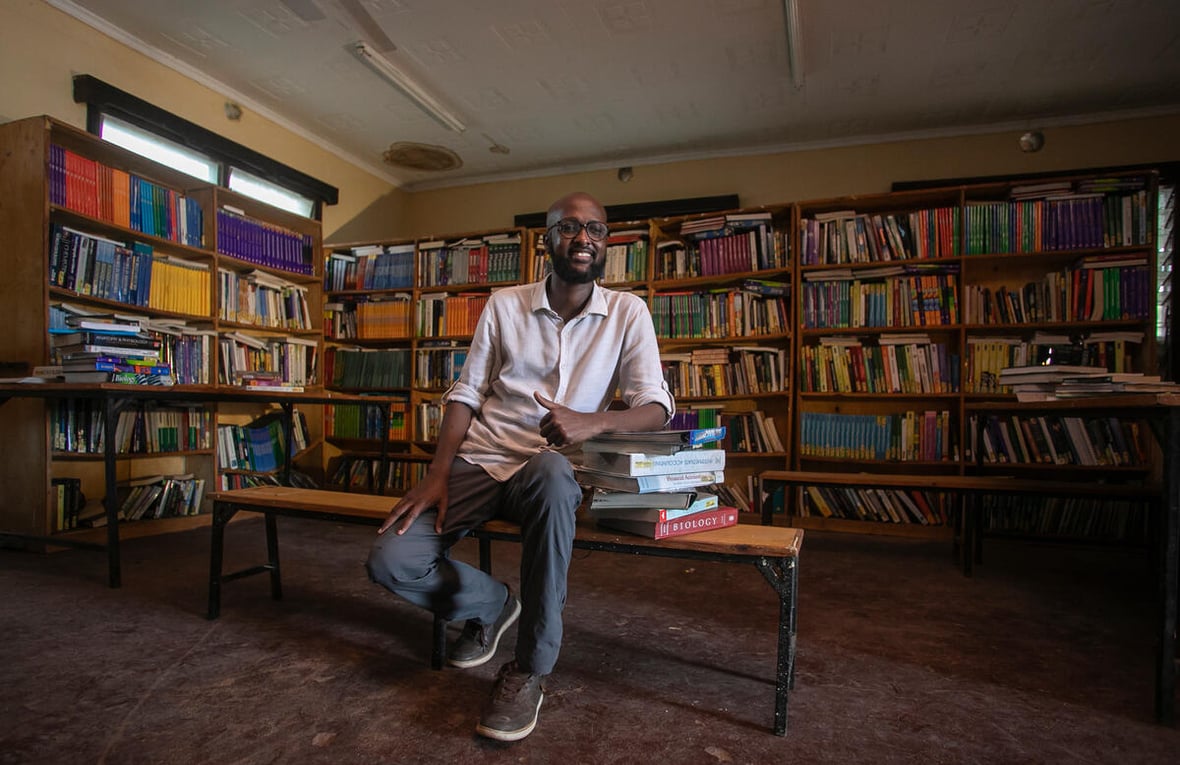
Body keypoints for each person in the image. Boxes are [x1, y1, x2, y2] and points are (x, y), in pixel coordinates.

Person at [366, 191, 675, 741]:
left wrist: (592, 422)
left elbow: (656, 407)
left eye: (596, 231)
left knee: (556, 477)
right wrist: (437, 473)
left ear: (606, 242)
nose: (584, 239)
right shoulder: (505, 304)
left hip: (551, 471)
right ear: (547, 239)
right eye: (570, 228)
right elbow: (467, 392)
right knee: (392, 557)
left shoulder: (629, 312)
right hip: (482, 458)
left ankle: (530, 668)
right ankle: (494, 604)